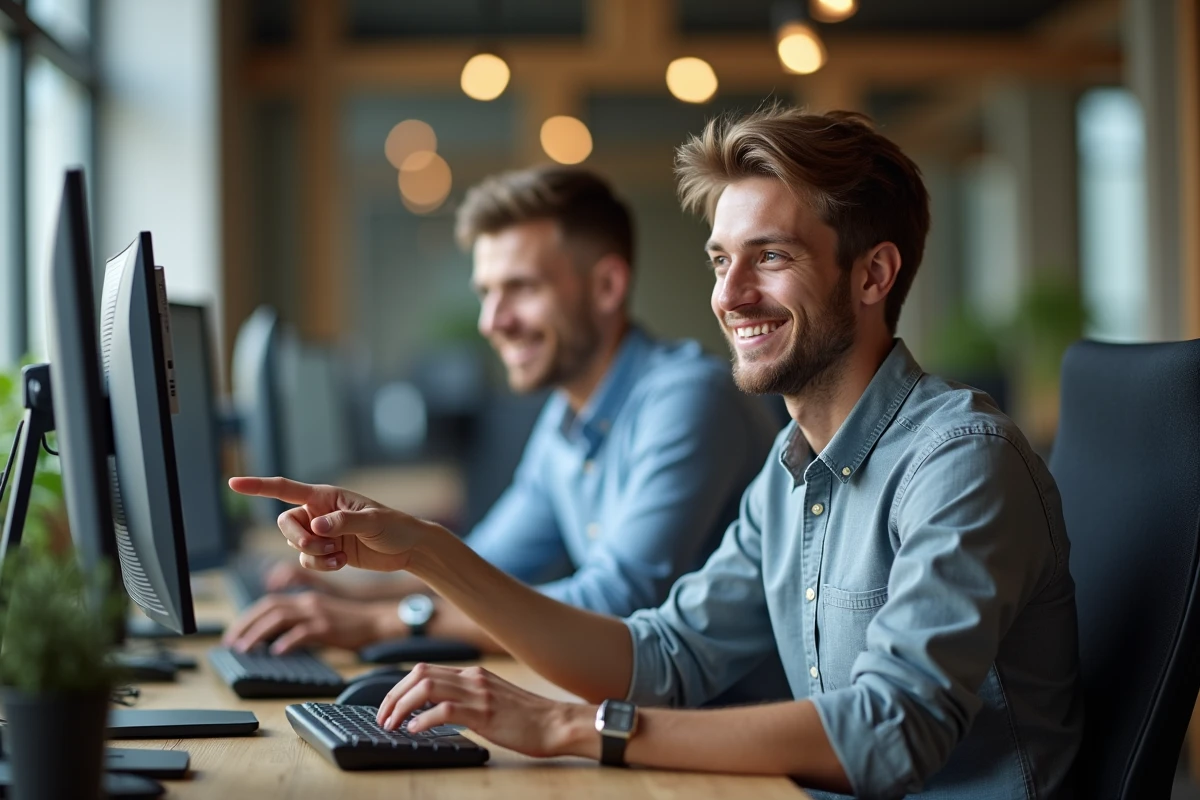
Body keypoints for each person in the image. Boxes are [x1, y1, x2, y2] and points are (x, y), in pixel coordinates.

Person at [231, 107, 1082, 798]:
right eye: (720, 261)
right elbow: (661, 657)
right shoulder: (793, 470)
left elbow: (891, 735)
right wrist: (421, 549)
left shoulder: (960, 460)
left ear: (872, 276)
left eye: (770, 258)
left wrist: (568, 726)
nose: (729, 295)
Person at [224, 166, 781, 664]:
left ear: (608, 285)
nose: (492, 321)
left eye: (520, 288)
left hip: (740, 747)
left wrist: (380, 622)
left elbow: (611, 607)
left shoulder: (686, 400)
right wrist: (349, 593)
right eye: (487, 292)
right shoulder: (568, 413)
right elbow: (488, 568)